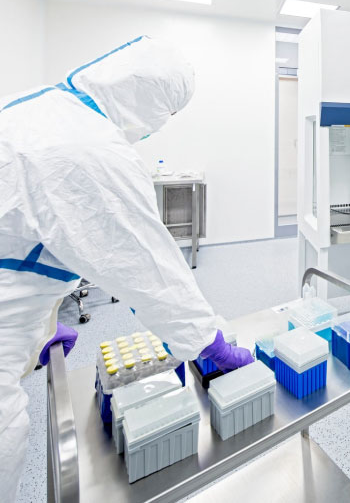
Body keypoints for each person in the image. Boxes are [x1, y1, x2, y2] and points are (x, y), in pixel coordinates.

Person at [0, 36, 252, 502]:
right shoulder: (90, 148)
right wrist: (205, 340)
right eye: (168, 113)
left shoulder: (35, 106)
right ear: (150, 98)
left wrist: (37, 325)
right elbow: (146, 268)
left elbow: (19, 232)